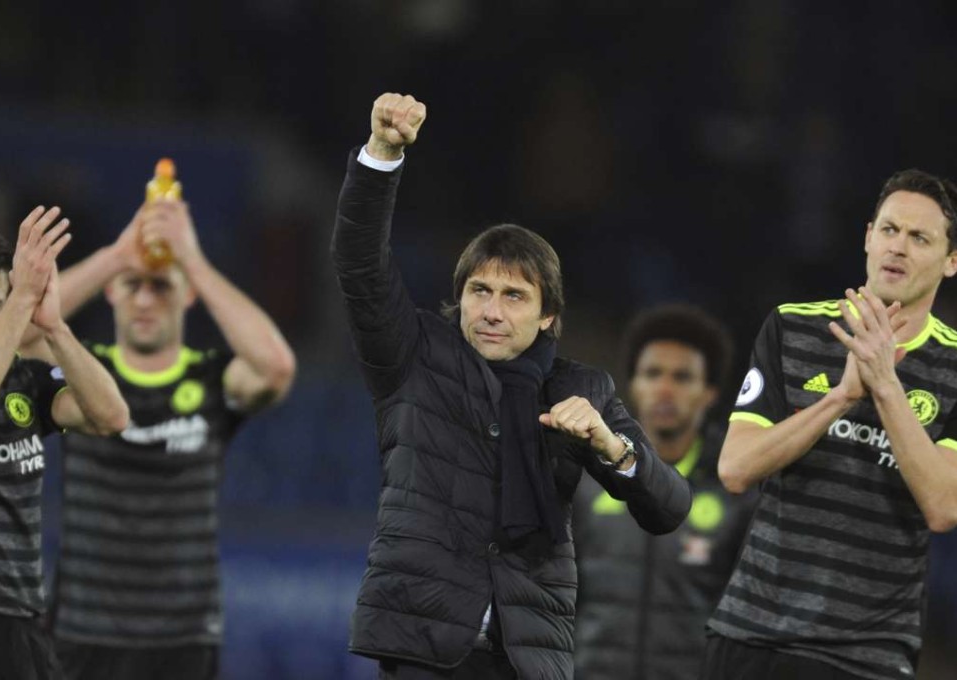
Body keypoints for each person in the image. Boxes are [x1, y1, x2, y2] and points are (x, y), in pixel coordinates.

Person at [331, 92, 691, 680]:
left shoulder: (582, 388)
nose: (492, 311)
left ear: (548, 315)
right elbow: (358, 264)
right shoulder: (415, 354)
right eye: (480, 291)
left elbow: (670, 507)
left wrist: (611, 446)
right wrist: (381, 154)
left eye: (514, 296)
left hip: (524, 656)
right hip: (426, 646)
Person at [703, 169, 957, 680]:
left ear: (951, 261)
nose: (898, 247)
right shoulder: (791, 326)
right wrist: (840, 398)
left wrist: (885, 384)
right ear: (867, 237)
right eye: (888, 230)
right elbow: (735, 468)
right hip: (750, 633)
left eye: (919, 238)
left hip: (865, 655)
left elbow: (943, 506)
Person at [28, 198, 296, 680]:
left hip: (182, 635)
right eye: (133, 285)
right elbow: (20, 333)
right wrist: (117, 255)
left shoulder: (212, 377)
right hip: (82, 630)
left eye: (160, 285)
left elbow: (275, 369)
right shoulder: (83, 369)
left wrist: (192, 260)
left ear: (186, 294)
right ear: (112, 292)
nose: (146, 299)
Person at [0, 207, 130, 680]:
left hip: (22, 622)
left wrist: (55, 329)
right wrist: (20, 299)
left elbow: (111, 416)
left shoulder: (22, 377)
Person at [572, 304, 757, 679]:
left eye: (682, 377)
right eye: (653, 373)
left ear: (709, 393)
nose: (665, 389)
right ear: (633, 385)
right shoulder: (586, 477)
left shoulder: (737, 486)